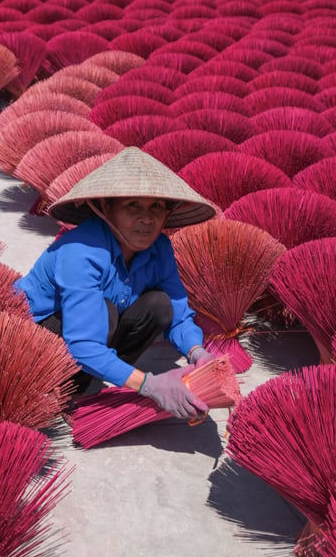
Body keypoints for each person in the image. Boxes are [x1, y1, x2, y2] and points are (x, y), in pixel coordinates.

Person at [14, 147, 219, 420]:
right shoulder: (81, 251)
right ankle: (66, 389)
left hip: (90, 330)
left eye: (156, 206)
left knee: (159, 305)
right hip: (34, 337)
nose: (147, 218)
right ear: (105, 208)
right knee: (104, 312)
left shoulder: (160, 248)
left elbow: (179, 316)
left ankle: (103, 372)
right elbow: (83, 341)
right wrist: (151, 385)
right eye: (133, 205)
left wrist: (198, 352)